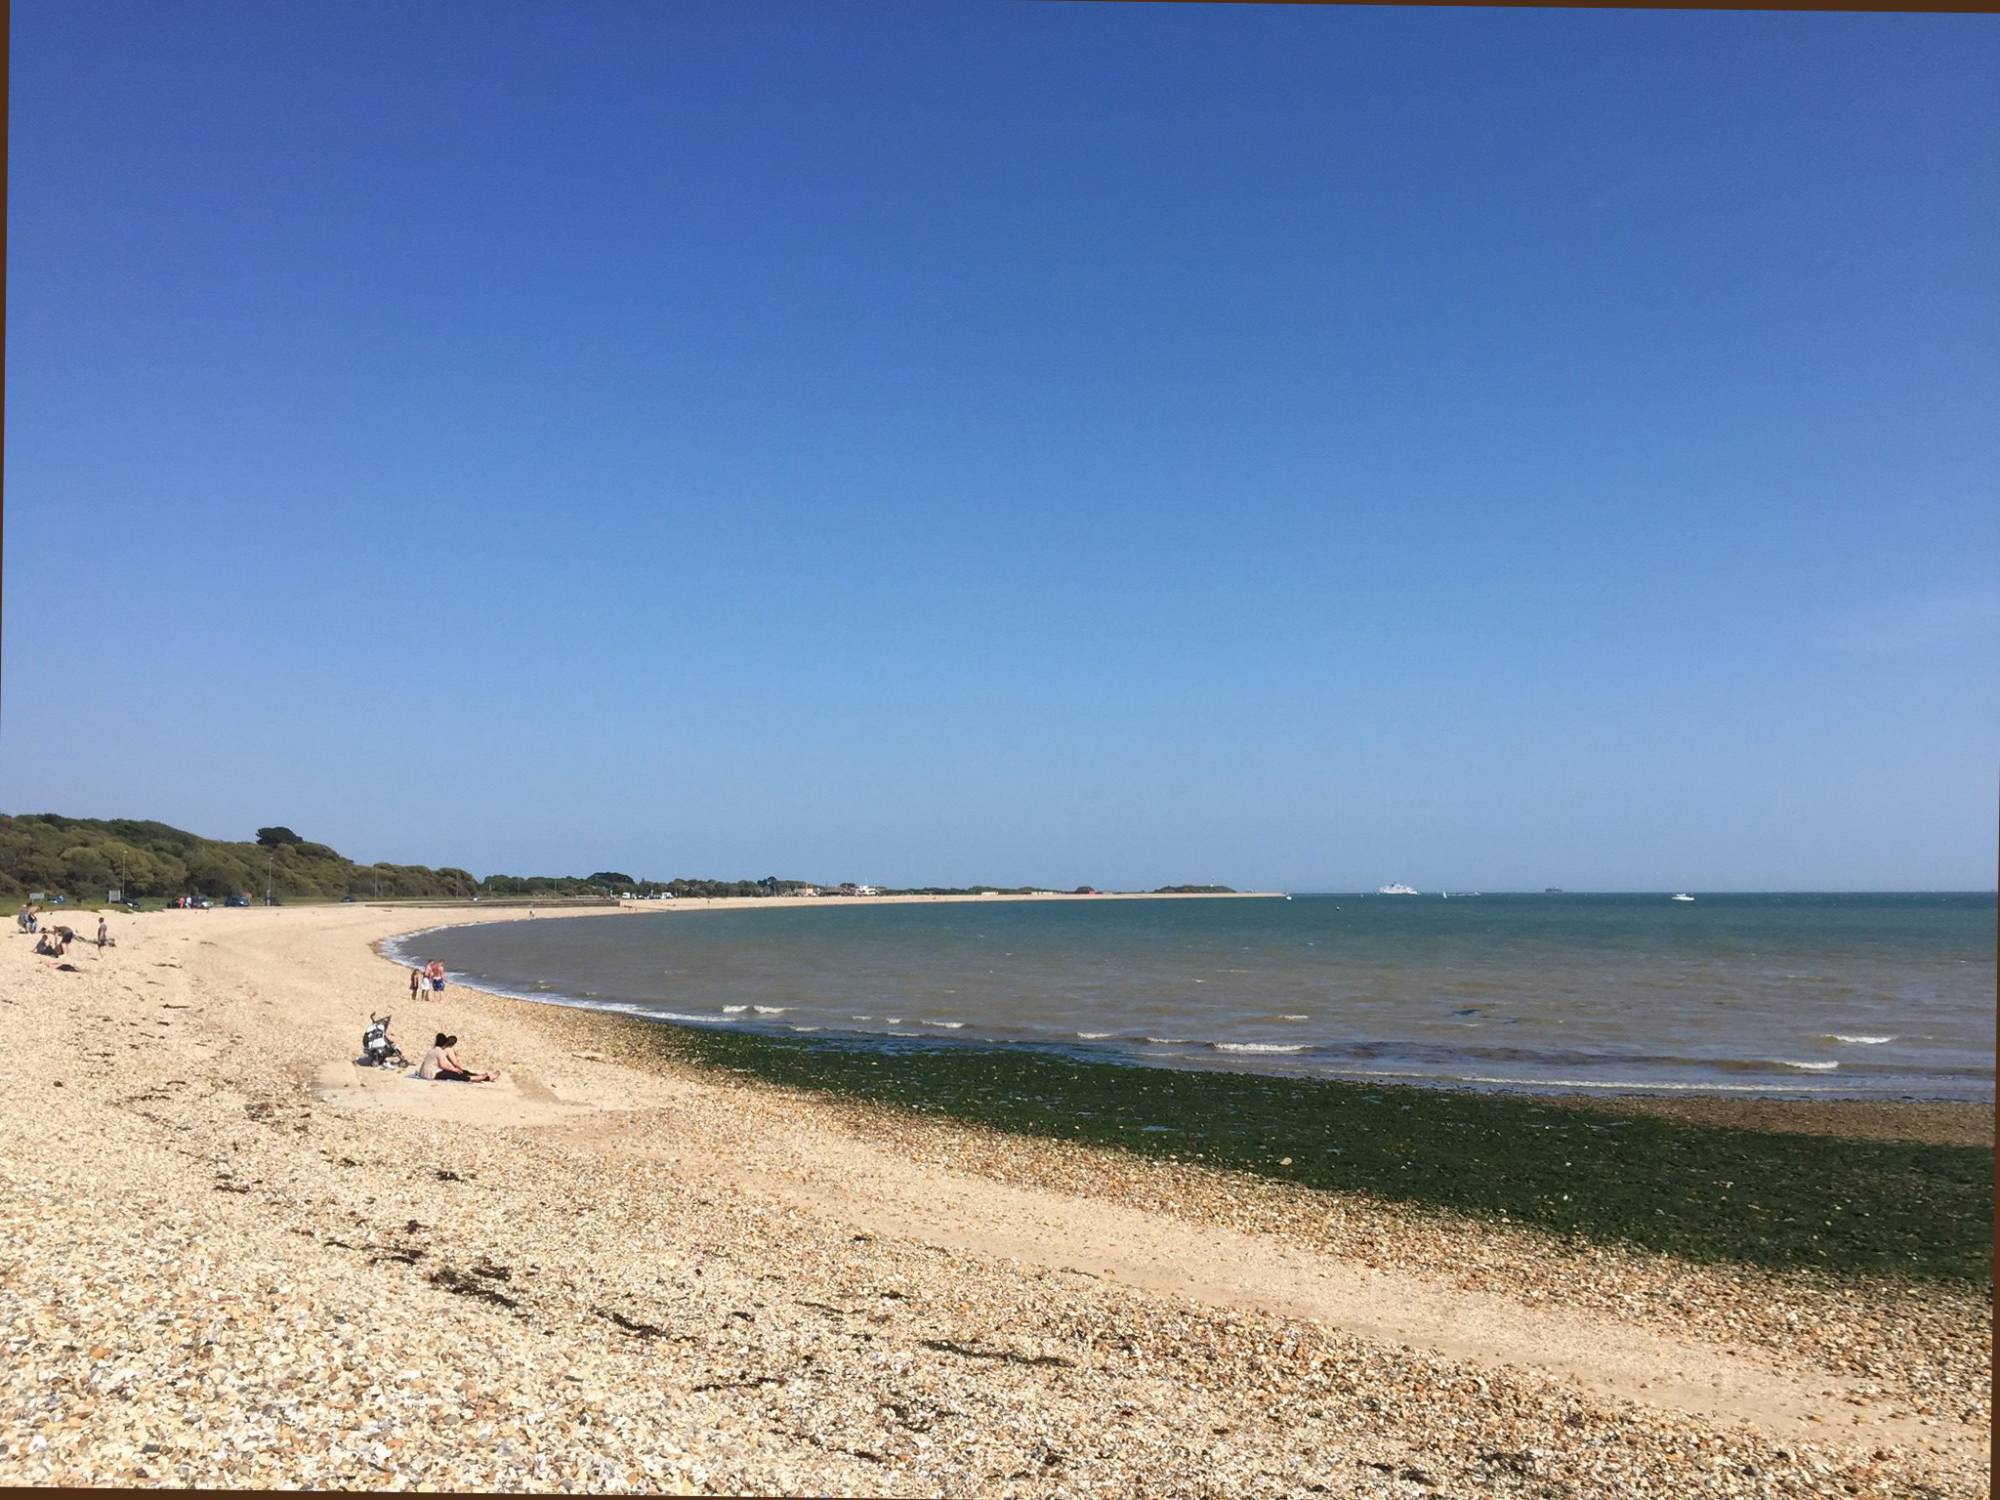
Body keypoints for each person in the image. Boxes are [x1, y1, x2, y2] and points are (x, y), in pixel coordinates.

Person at [416, 1033, 496, 1083]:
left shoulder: (432, 1049)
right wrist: (454, 1069)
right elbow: (443, 1065)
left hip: (424, 1073)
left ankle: (481, 1077)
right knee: (453, 1075)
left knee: (453, 1073)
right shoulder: (439, 1051)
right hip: (431, 1074)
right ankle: (474, 1078)